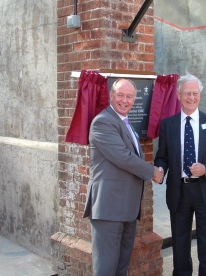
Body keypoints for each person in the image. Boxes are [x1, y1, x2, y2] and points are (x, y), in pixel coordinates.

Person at [154, 74, 206, 275]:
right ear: (179, 95)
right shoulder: (168, 125)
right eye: (187, 93)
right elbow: (162, 156)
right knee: (180, 244)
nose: (191, 97)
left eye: (195, 93)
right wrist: (160, 169)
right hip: (179, 191)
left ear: (200, 95)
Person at [83, 78, 163, 276]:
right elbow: (122, 157)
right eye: (120, 95)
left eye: (129, 96)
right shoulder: (103, 121)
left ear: (135, 99)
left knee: (121, 266)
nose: (124, 100)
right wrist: (152, 171)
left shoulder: (124, 122)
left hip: (126, 207)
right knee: (106, 268)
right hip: (109, 208)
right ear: (111, 96)